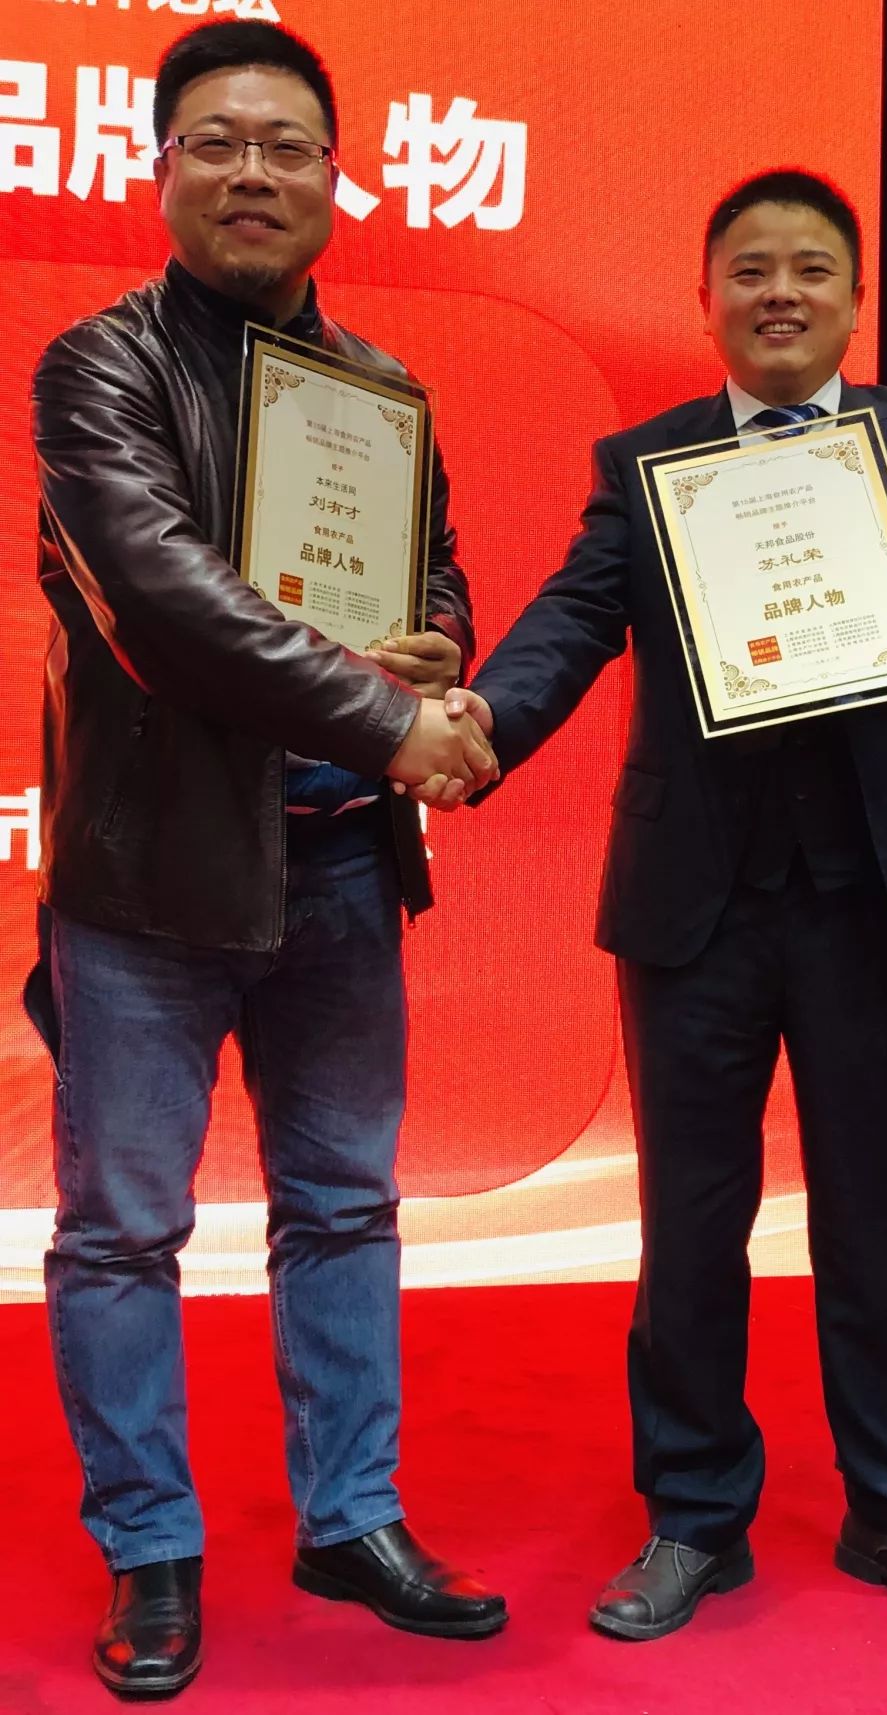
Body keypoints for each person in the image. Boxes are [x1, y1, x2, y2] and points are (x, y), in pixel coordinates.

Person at [416, 170, 887, 1641]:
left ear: (853, 298)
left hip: (879, 904)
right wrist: (483, 724)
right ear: (706, 299)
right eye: (751, 269)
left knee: (874, 1223)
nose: (781, 293)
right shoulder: (650, 463)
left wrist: (885, 598)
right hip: (694, 907)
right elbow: (576, 618)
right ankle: (696, 1517)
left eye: (810, 269)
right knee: (691, 1230)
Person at [28, 18, 504, 1699]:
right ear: (161, 171)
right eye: (218, 143)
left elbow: (433, 567)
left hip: (341, 869)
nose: (254, 173)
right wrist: (394, 724)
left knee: (345, 1207)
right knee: (119, 1229)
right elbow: (164, 603)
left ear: (333, 179)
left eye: (287, 146)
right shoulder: (98, 370)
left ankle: (349, 1518)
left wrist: (436, 647)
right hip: (148, 881)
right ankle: (152, 1550)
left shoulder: (378, 389)